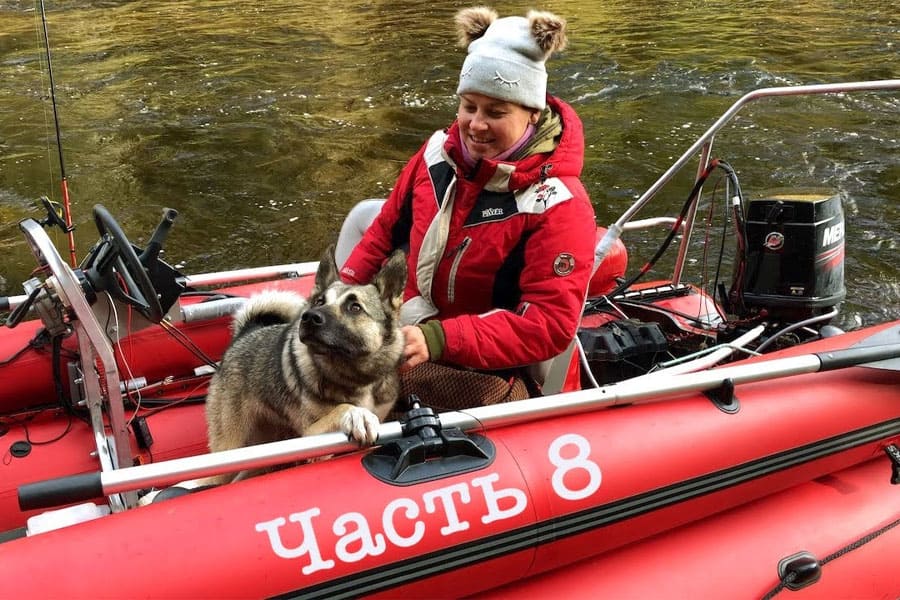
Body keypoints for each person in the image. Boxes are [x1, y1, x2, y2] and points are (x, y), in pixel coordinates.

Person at [339, 6, 597, 395]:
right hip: (419, 324)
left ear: (532, 113)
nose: (476, 124)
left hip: (491, 362)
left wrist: (438, 339)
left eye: (496, 112)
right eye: (469, 106)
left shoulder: (560, 205)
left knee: (347, 391)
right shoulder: (434, 156)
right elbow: (382, 233)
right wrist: (340, 297)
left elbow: (547, 327)